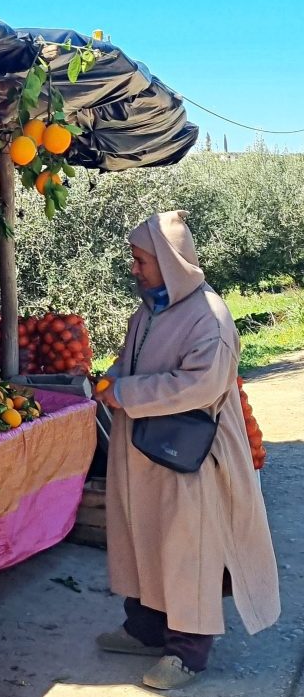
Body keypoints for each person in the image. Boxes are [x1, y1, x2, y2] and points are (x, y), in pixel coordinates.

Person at [94, 211, 279, 690]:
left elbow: (198, 386)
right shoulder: (151, 308)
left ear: (169, 262)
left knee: (186, 551)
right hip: (144, 454)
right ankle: (145, 629)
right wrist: (112, 377)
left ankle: (187, 654)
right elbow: (131, 358)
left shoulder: (209, 318)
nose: (134, 270)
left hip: (190, 459)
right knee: (143, 538)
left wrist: (126, 393)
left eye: (141, 262)